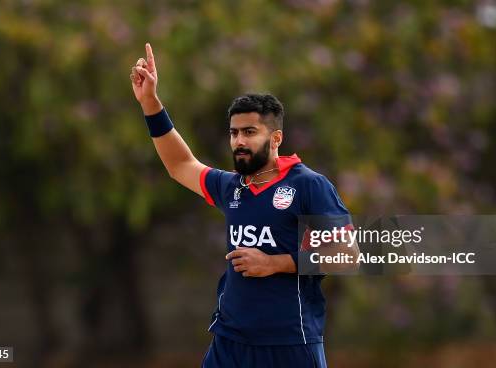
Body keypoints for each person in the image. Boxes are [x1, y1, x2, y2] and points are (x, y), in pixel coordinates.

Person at [130, 43, 358, 368]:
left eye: (250, 132)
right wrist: (151, 103)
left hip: (289, 343)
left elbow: (347, 255)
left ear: (276, 138)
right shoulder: (232, 186)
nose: (239, 141)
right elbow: (180, 164)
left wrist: (275, 263)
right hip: (230, 341)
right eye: (234, 133)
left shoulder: (308, 185)